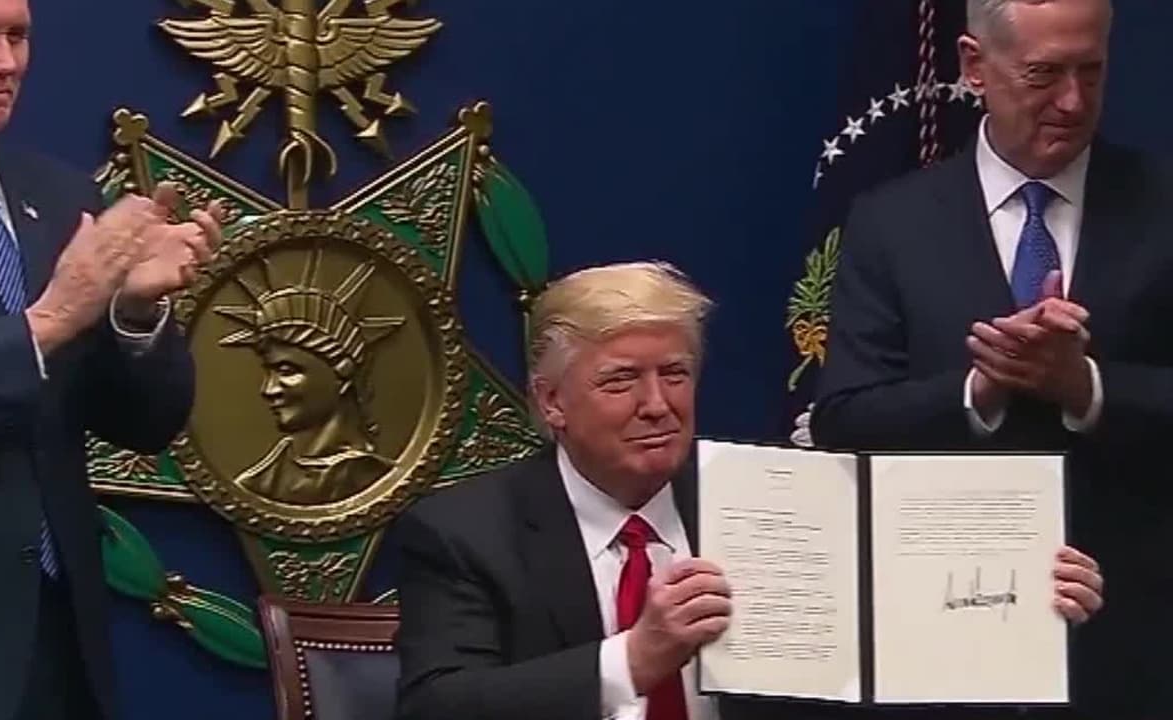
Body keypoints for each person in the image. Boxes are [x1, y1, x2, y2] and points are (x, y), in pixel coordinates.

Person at [394, 261, 1104, 720]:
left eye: (675, 375)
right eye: (621, 381)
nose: (657, 405)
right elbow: (437, 707)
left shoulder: (779, 499)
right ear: (551, 401)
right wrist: (634, 659)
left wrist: (1020, 608)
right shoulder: (464, 532)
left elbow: (890, 659)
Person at [812, 0, 1168, 715]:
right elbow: (844, 419)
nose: (1073, 102)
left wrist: (1085, 387)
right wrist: (980, 389)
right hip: (946, 651)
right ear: (974, 65)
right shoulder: (892, 222)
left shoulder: (1162, 206)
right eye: (1044, 75)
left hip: (1137, 650)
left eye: (1091, 72)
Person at [0, 0, 222, 717]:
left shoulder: (60, 194)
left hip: (58, 640)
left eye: (18, 37)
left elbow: (146, 425)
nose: (5, 62)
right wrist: (45, 324)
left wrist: (135, 312)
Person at [218, 256, 403, 505]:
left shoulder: (377, 478)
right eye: (269, 372)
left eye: (287, 370)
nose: (268, 389)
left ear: (343, 373)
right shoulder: (258, 482)